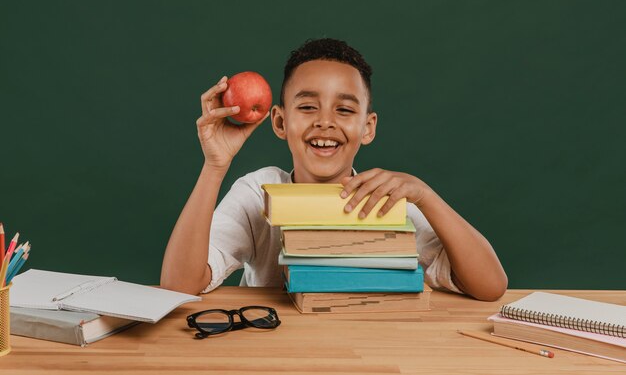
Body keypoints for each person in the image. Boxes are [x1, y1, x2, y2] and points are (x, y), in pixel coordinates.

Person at [161, 38, 508, 301]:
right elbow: (179, 286)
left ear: (368, 127)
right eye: (308, 106)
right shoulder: (258, 192)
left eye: (344, 110)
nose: (325, 122)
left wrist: (427, 197)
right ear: (280, 121)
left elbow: (490, 286)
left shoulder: (383, 199)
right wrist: (215, 165)